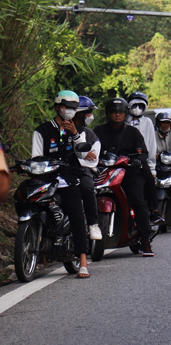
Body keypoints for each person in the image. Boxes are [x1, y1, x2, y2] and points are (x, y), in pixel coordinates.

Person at [30, 91, 94, 277]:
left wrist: (74, 134)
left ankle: (83, 260)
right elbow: (35, 159)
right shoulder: (41, 131)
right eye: (67, 107)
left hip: (69, 180)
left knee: (76, 215)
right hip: (46, 180)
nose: (71, 111)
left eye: (74, 108)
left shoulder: (79, 131)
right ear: (58, 107)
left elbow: (82, 156)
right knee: (29, 203)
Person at [94, 97, 155, 256]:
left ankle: (146, 240)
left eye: (120, 112)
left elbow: (143, 151)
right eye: (113, 112)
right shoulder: (98, 131)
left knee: (137, 200)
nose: (117, 115)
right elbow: (90, 149)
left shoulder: (132, 132)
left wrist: (136, 159)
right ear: (108, 114)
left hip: (128, 173)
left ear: (125, 114)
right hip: (103, 172)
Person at [125, 92, 164, 225]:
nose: (137, 108)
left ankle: (154, 211)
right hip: (123, 159)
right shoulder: (124, 120)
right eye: (134, 105)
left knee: (149, 181)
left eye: (140, 105)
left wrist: (152, 169)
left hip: (141, 159)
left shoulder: (147, 122)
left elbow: (151, 145)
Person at [72, 96, 103, 240]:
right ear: (80, 113)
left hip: (83, 172)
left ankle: (93, 224)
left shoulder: (91, 135)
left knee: (87, 187)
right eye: (89, 112)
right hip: (62, 171)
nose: (91, 116)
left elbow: (90, 161)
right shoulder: (61, 132)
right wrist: (83, 154)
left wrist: (79, 155)